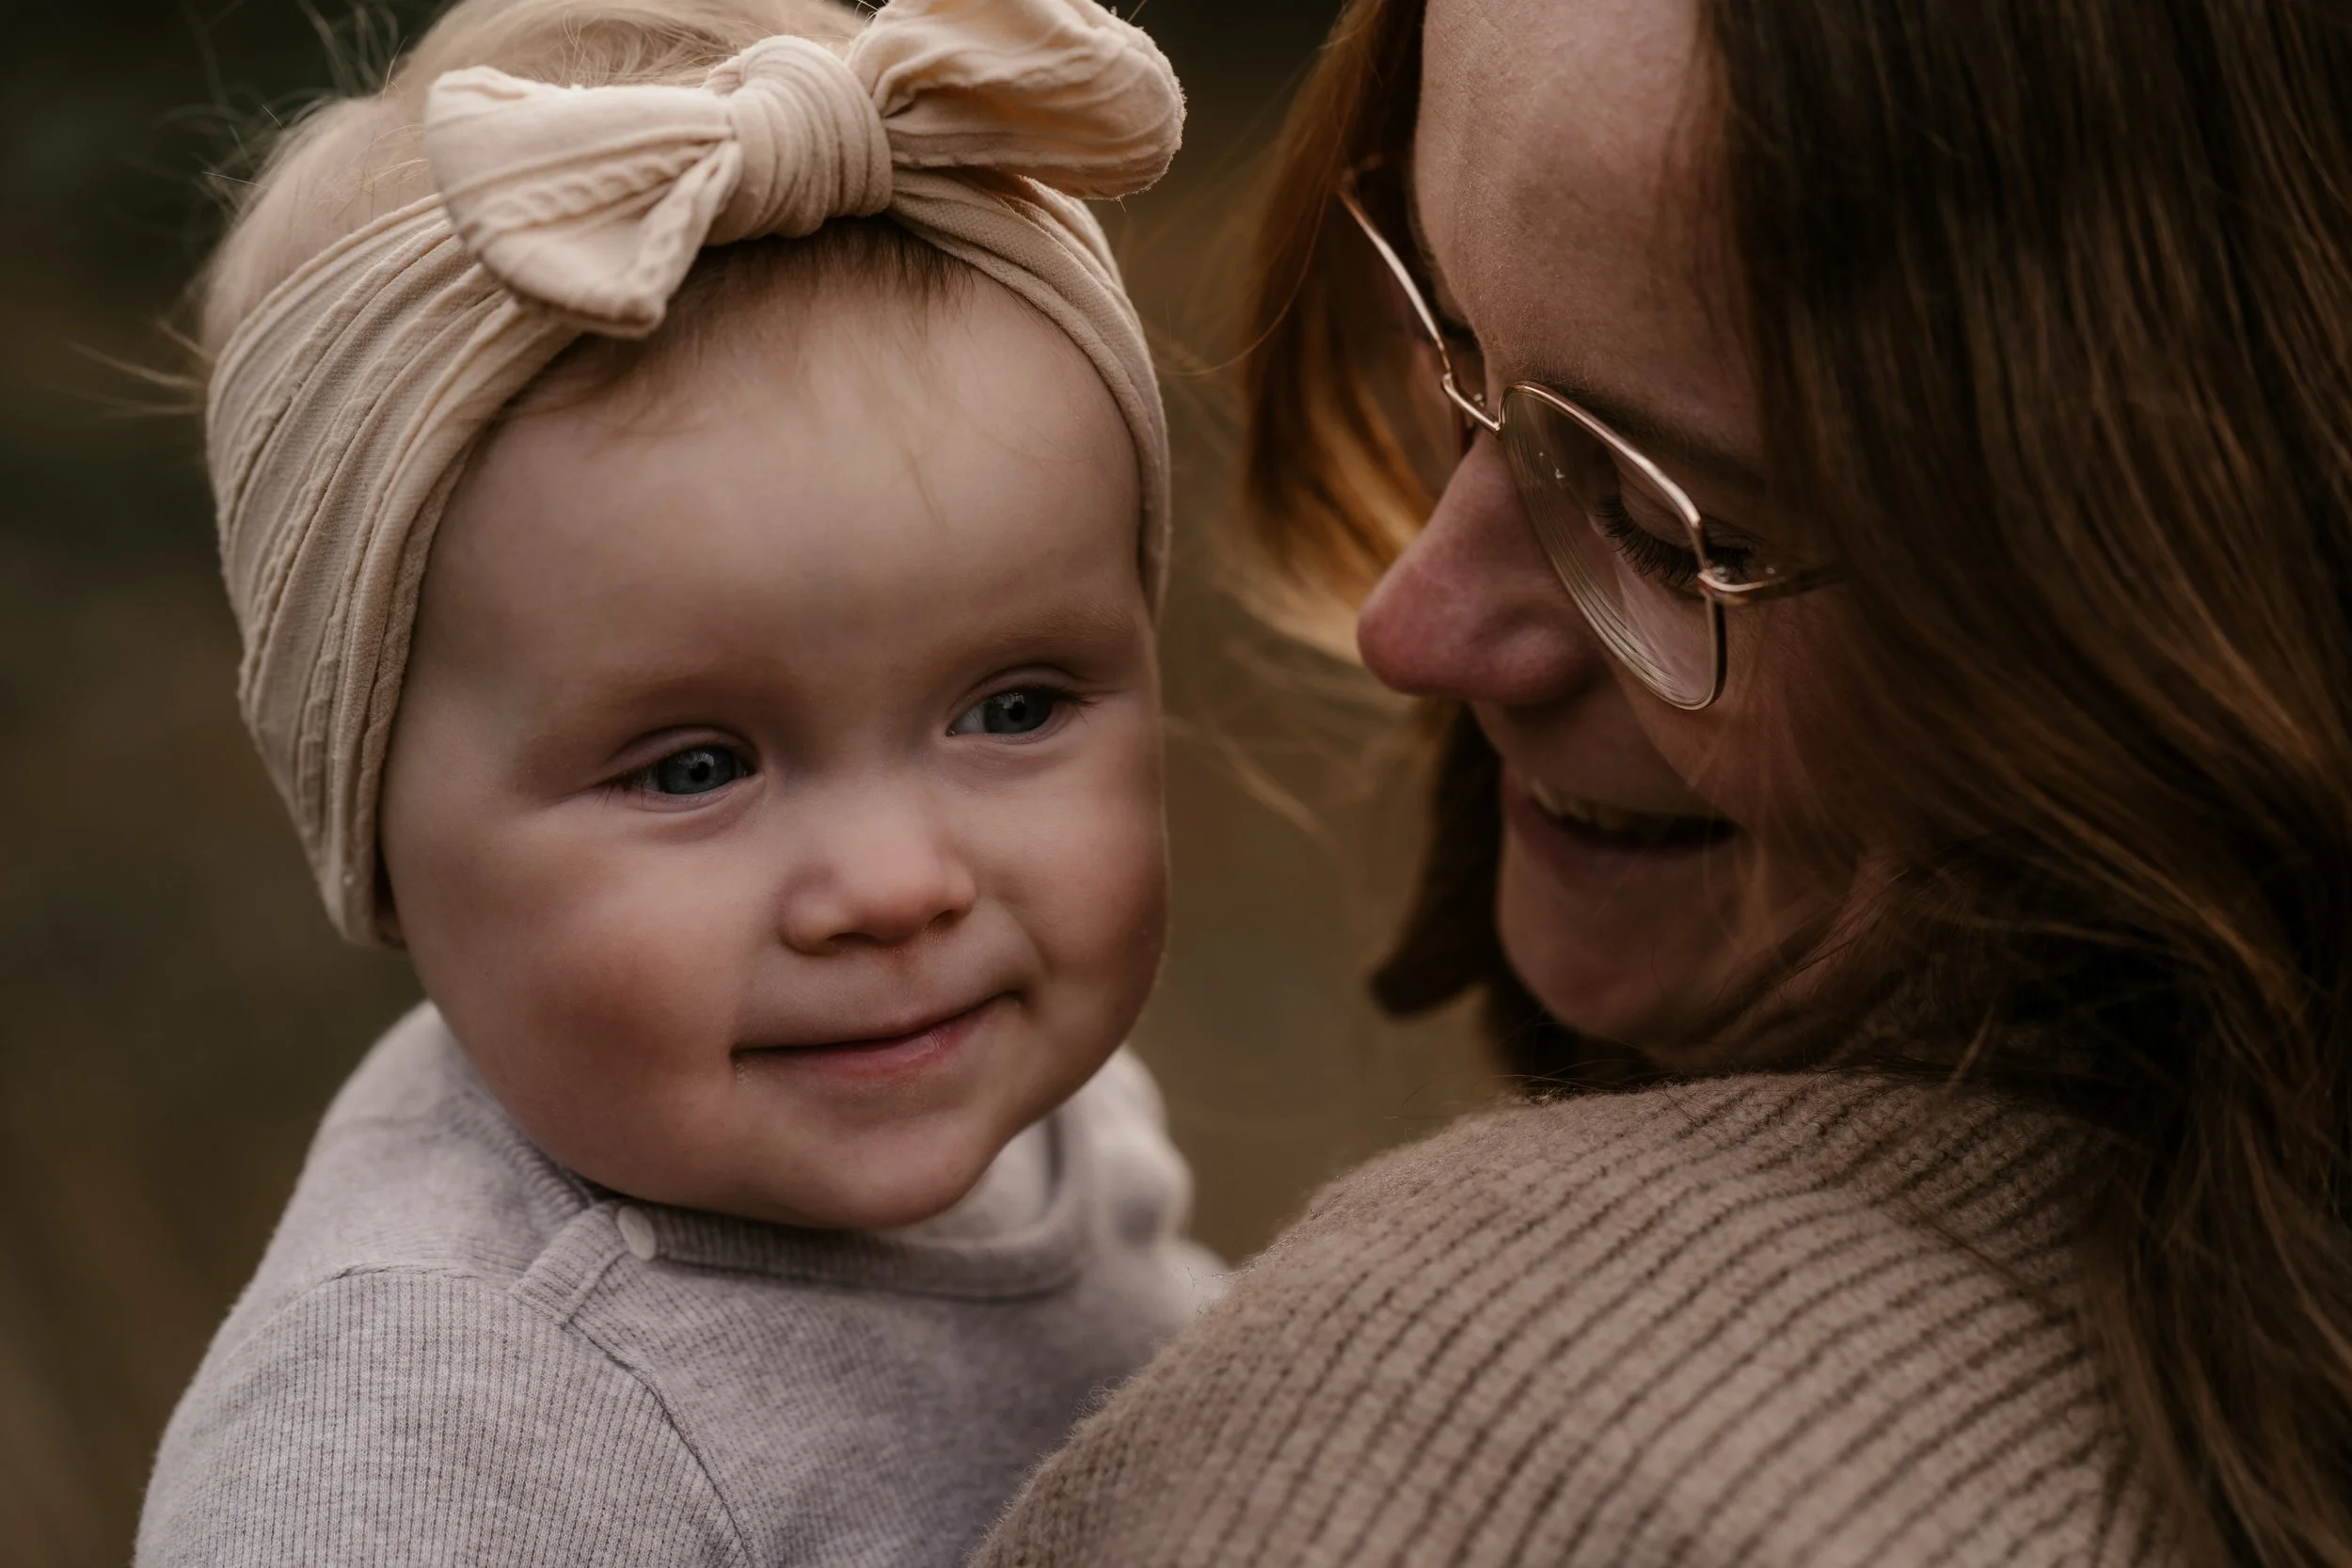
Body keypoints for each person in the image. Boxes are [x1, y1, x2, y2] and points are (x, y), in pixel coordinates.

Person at [977, 0, 2352, 1563]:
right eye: (1448, 339)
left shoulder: (1484, 1447)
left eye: (1661, 520)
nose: (1412, 625)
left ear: (2214, 591)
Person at [135, 1, 1216, 1562]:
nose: (900, 884)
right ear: (369, 822)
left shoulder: (1044, 1107)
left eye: (1013, 705)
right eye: (695, 765)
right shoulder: (422, 1422)